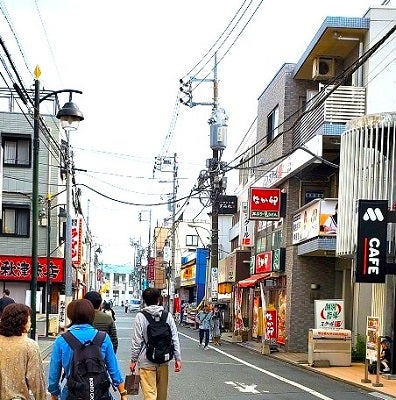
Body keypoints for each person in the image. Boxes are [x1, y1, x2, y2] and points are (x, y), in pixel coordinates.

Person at [48, 299, 127, 400]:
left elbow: (54, 372)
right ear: (92, 314)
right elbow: (114, 368)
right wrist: (122, 393)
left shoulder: (62, 340)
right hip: (100, 392)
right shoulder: (103, 337)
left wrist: (54, 393)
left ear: (70, 315)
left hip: (72, 392)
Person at [129, 287, 182, 400]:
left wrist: (133, 360)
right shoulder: (167, 315)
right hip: (164, 359)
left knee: (150, 396)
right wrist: (178, 358)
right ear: (159, 299)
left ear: (144, 300)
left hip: (146, 361)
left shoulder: (140, 316)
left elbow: (137, 341)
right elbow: (174, 338)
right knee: (162, 396)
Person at [0, 303, 47, 399]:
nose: (30, 323)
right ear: (22, 322)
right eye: (29, 320)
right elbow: (36, 380)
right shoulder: (29, 345)